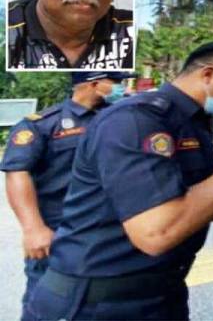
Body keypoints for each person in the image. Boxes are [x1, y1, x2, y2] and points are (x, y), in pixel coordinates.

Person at [26, 41, 213, 321]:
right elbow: (155, 233)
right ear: (208, 74)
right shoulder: (137, 121)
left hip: (160, 297)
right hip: (97, 302)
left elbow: (197, 200)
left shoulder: (192, 124)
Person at [0, 71, 132, 321]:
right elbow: (17, 171)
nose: (121, 88)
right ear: (95, 83)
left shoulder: (120, 119)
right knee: (48, 307)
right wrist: (33, 228)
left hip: (112, 234)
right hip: (58, 234)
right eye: (116, 82)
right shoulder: (43, 124)